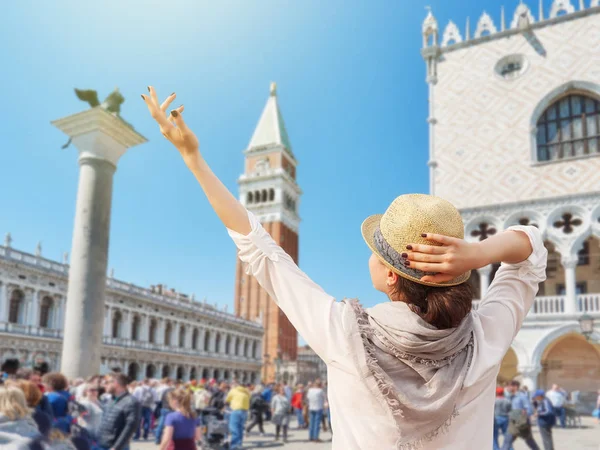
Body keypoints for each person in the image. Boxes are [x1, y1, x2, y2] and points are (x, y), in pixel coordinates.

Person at [141, 86, 547, 450]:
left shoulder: (345, 333)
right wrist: (479, 255)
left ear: (390, 275)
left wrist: (193, 159)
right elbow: (531, 249)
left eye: (375, 249)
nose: (368, 255)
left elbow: (260, 249)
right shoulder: (485, 335)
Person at [95, 373, 141, 450]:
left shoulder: (131, 401)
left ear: (115, 383)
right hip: (101, 443)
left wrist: (116, 447)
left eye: (107, 382)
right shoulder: (110, 399)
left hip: (115, 446)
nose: (104, 385)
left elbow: (130, 427)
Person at [503, 381, 539, 450]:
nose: (507, 387)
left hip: (521, 423)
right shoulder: (509, 397)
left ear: (515, 387)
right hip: (513, 424)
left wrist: (523, 415)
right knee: (507, 442)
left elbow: (529, 409)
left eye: (509, 386)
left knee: (530, 441)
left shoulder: (522, 396)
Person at [225, 381, 250, 450]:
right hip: (245, 411)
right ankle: (239, 444)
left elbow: (227, 400)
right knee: (240, 428)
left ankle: (234, 446)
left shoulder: (233, 390)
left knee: (234, 428)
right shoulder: (247, 391)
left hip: (236, 410)